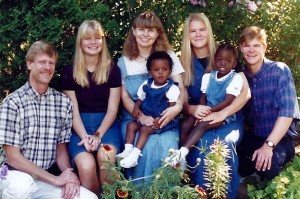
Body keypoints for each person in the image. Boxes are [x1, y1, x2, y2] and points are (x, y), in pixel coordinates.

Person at [0, 41, 97, 199]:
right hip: (13, 176)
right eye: (42, 62)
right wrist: (56, 179)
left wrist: (69, 177)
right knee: (22, 187)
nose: (47, 67)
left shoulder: (63, 103)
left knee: (88, 198)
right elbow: (13, 157)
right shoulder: (12, 103)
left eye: (51, 63)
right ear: (30, 64)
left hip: (43, 180)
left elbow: (61, 153)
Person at [179, 13, 250, 199]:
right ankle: (201, 193)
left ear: (208, 31)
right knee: (201, 145)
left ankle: (226, 194)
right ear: (187, 34)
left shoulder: (223, 55)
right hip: (200, 117)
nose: (198, 34)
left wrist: (222, 113)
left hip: (229, 118)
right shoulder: (183, 62)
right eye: (192, 31)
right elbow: (182, 101)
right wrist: (193, 110)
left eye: (202, 29)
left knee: (222, 144)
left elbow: (245, 93)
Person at [117, 11, 185, 182]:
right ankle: (141, 192)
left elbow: (181, 87)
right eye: (141, 29)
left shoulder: (168, 57)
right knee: (145, 147)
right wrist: (142, 117)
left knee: (167, 145)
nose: (145, 34)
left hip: (166, 117)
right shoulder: (123, 61)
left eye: (150, 30)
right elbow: (124, 97)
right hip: (134, 117)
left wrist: (177, 107)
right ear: (133, 31)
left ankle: (166, 193)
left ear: (157, 33)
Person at [60, 20, 121, 194]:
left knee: (106, 157)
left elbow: (112, 110)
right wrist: (85, 137)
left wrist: (97, 135)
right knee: (86, 166)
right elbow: (73, 112)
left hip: (106, 125)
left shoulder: (112, 69)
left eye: (98, 38)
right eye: (88, 38)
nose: (93, 42)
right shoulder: (69, 72)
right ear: (80, 42)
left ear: (103, 40)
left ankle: (109, 197)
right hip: (79, 127)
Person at [237, 26, 300, 181]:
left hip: (280, 140)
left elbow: (287, 113)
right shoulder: (241, 76)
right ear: (241, 48)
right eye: (247, 46)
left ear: (264, 47)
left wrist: (268, 146)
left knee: (267, 165)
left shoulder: (279, 71)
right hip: (254, 136)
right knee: (231, 158)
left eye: (256, 45)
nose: (251, 50)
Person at [168, 43, 243, 165]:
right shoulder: (208, 77)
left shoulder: (235, 78)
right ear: (214, 61)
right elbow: (203, 97)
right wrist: (202, 110)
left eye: (228, 60)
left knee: (202, 124)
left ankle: (182, 153)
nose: (223, 63)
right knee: (186, 124)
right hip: (207, 109)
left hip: (222, 114)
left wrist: (208, 113)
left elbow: (227, 101)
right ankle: (182, 163)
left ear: (234, 63)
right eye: (219, 60)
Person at [117, 51, 180, 168]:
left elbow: (172, 108)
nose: (160, 72)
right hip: (146, 116)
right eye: (156, 70)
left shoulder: (172, 88)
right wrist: (136, 107)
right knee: (131, 125)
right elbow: (141, 98)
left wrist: (160, 119)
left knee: (144, 130)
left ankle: (135, 155)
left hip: (162, 121)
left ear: (170, 71)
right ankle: (128, 150)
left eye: (164, 69)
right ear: (150, 72)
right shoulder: (147, 84)